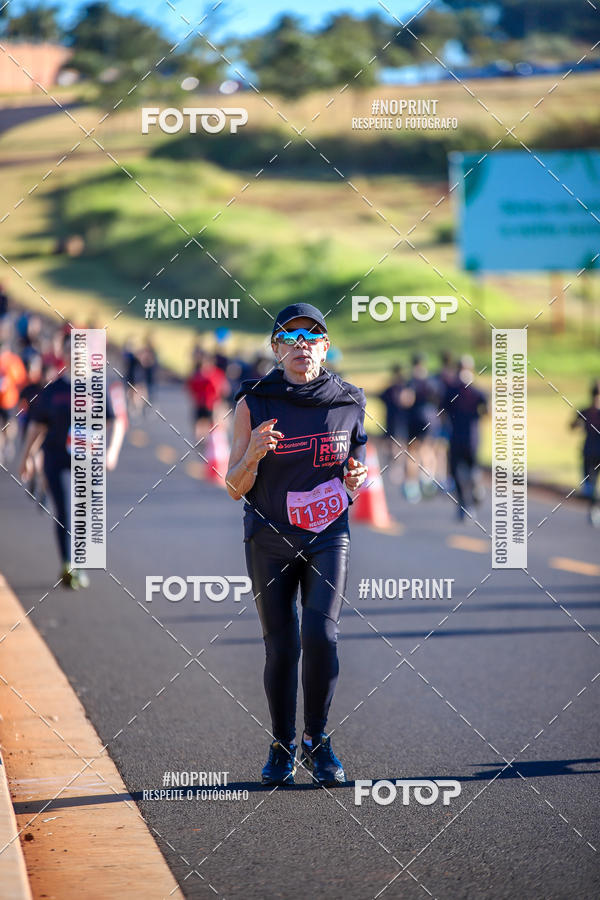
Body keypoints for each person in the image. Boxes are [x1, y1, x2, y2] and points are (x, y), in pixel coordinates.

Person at [226, 303, 368, 788]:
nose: (300, 345)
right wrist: (252, 455)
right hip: (269, 539)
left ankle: (317, 739)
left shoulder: (349, 401)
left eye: (311, 337)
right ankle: (282, 745)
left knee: (321, 635)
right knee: (282, 647)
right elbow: (233, 487)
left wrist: (357, 480)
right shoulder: (254, 402)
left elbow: (356, 469)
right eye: (289, 337)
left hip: (328, 535)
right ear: (275, 349)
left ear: (326, 348)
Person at [19, 332, 126, 589]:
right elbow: (36, 426)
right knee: (64, 509)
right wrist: (27, 457)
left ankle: (78, 563)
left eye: (79, 352)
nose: (74, 356)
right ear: (64, 356)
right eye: (69, 352)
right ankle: (68, 564)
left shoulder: (97, 388)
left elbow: (117, 422)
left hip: (87, 459)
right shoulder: (53, 389)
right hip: (56, 456)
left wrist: (111, 452)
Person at [443, 355, 488, 521]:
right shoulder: (454, 392)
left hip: (468, 438)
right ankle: (465, 504)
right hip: (459, 437)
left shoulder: (473, 392)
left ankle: (472, 494)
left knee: (470, 470)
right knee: (459, 472)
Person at [571, 379, 600, 527]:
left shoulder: (586, 411)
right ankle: (594, 509)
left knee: (590, 485)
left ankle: (594, 509)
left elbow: (571, 426)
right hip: (589, 452)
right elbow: (572, 426)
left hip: (591, 452)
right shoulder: (585, 412)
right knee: (589, 486)